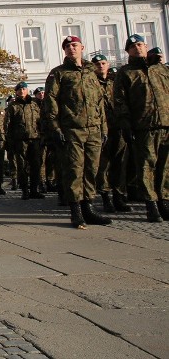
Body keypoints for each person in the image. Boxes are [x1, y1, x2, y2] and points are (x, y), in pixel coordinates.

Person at [43, 35, 110, 229]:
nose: (71, 49)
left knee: (91, 169)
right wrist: (54, 127)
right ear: (64, 50)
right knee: (74, 170)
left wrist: (103, 127)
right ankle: (76, 212)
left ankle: (88, 207)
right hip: (71, 129)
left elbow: (99, 102)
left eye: (74, 45)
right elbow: (51, 102)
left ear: (82, 47)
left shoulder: (91, 73)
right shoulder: (58, 74)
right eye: (67, 46)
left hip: (94, 129)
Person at [114, 34, 169, 222]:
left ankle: (165, 201)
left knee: (166, 166)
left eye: (140, 44)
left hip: (166, 123)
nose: (137, 48)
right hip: (143, 126)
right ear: (128, 51)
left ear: (146, 46)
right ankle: (151, 204)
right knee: (146, 166)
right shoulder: (126, 72)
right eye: (132, 46)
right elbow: (120, 101)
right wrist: (126, 124)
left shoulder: (161, 69)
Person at [92, 54, 129, 213]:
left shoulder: (116, 82)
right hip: (101, 128)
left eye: (103, 63)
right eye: (97, 64)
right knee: (103, 165)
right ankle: (106, 197)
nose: (101, 66)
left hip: (118, 127)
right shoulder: (91, 83)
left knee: (120, 163)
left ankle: (119, 197)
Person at [4, 82, 44, 200]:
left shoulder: (34, 104)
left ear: (27, 90)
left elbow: (40, 121)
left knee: (36, 165)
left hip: (35, 139)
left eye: (24, 89)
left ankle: (34, 189)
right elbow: (7, 125)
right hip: (20, 140)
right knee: (22, 166)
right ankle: (25, 190)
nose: (22, 91)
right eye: (19, 89)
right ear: (16, 92)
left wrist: (43, 135)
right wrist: (9, 141)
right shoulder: (13, 106)